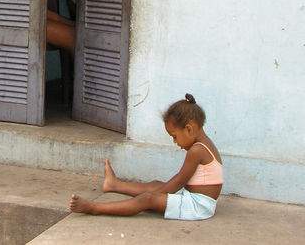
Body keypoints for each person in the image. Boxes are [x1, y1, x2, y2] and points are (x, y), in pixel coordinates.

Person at [69, 94, 223, 220]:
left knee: (147, 198)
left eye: (174, 136)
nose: (175, 142)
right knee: (155, 185)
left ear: (188, 129)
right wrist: (160, 191)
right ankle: (114, 185)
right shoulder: (204, 144)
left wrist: (155, 197)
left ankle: (94, 208)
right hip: (195, 199)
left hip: (198, 207)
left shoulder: (196, 150)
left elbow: (180, 180)